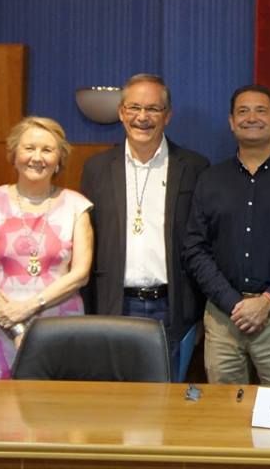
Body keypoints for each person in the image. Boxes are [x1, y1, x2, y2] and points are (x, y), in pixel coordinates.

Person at [183, 84, 270, 385]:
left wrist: (268, 300)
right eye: (243, 111)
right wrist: (232, 302)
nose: (251, 118)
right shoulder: (210, 179)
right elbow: (195, 248)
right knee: (224, 408)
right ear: (231, 121)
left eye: (261, 111)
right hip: (223, 317)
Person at [81, 73, 209, 383]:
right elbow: (88, 241)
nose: (142, 117)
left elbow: (204, 243)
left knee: (166, 400)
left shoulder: (194, 167)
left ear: (168, 115)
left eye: (153, 108)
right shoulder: (97, 168)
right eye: (134, 107)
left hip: (172, 307)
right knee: (114, 400)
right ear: (121, 112)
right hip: (114, 305)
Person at [0, 117, 93, 379]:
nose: (37, 157)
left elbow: (80, 274)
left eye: (47, 150)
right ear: (14, 155)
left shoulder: (77, 206)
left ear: (59, 160)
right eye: (29, 148)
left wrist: (28, 308)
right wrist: (17, 327)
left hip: (57, 327)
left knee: (54, 403)